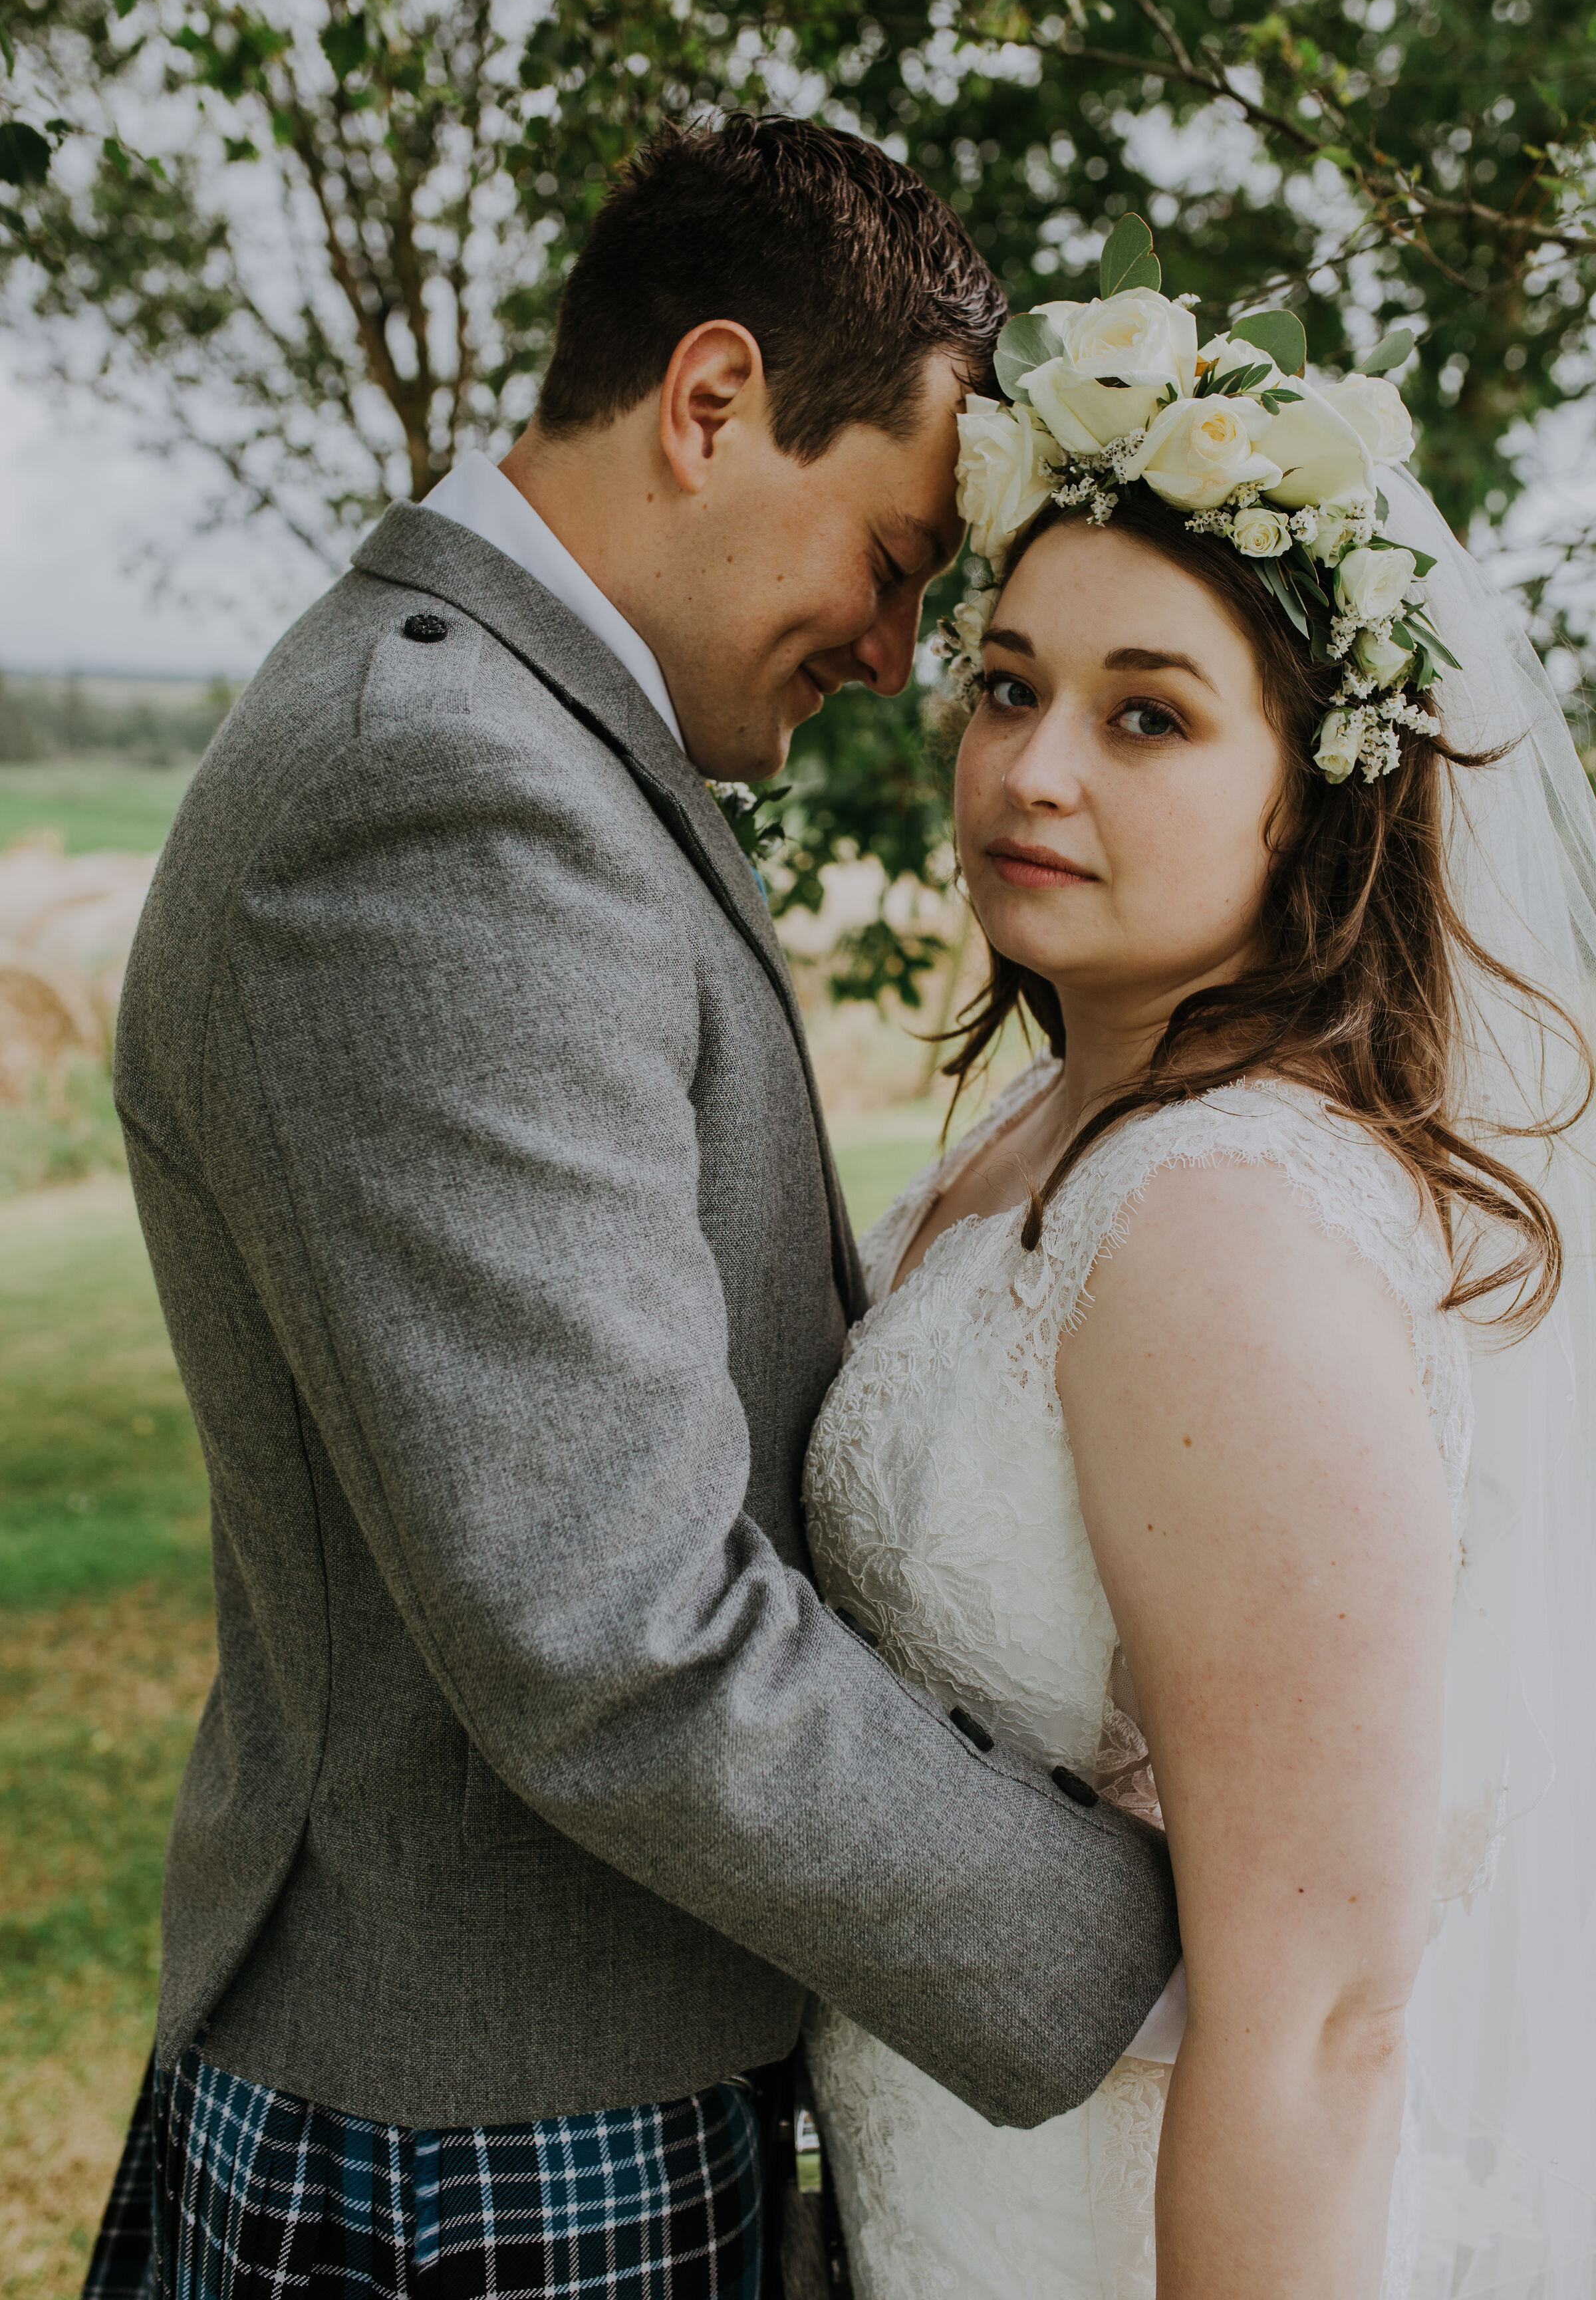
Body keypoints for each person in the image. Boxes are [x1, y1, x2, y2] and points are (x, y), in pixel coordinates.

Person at [83, 121, 1182, 2300]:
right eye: (887, 558)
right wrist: (1144, 1947)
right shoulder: (445, 789)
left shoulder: (550, 744)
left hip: (571, 2078)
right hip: (481, 2150)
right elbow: (614, 1626)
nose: (891, 659)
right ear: (710, 403)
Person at [802, 270, 1596, 2295]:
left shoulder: (1225, 1230)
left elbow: (1328, 2019)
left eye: (1146, 713)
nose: (1034, 766)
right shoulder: (1049, 1134)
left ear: (1315, 785)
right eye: (1004, 684)